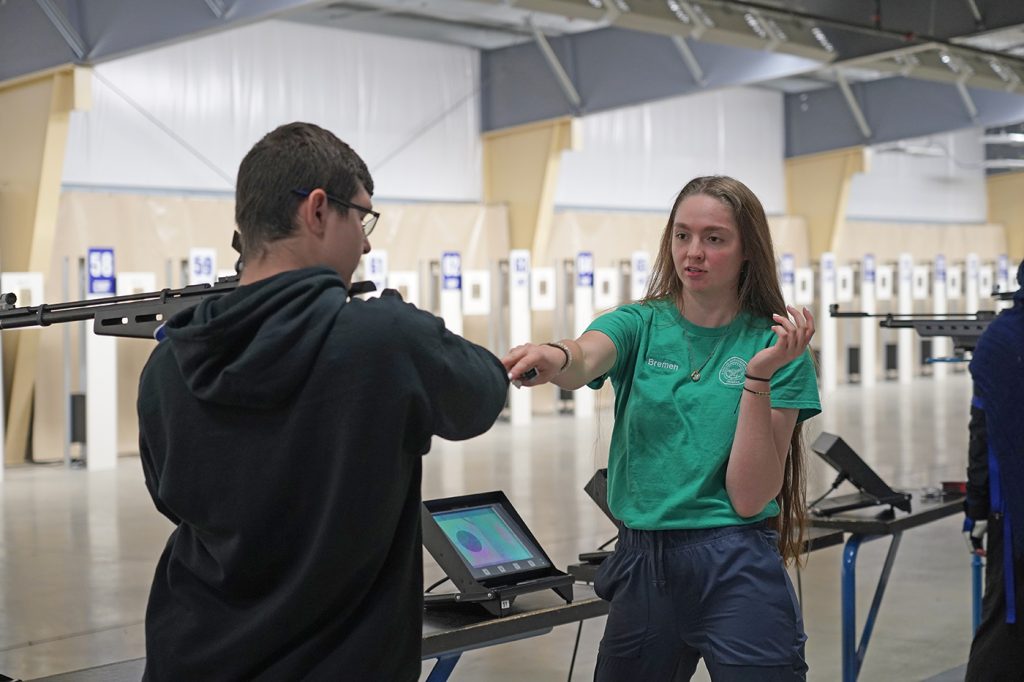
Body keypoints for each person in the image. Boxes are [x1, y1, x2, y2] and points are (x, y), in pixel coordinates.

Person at [136, 122, 508, 681]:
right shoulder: (382, 339)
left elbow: (172, 500)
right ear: (316, 210)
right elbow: (483, 393)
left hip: (192, 659)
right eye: (361, 216)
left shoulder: (167, 365)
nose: (366, 240)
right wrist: (410, 325)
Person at [504, 176, 820, 681]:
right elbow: (585, 355)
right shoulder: (639, 324)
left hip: (736, 563)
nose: (693, 252)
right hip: (643, 564)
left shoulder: (776, 348)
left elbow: (749, 495)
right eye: (682, 235)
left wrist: (758, 376)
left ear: (747, 252)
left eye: (714, 239)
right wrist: (554, 354)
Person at [964, 261, 1024, 681]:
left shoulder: (1002, 339)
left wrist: (977, 511)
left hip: (1013, 521)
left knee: (1004, 633)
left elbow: (982, 435)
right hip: (1011, 519)